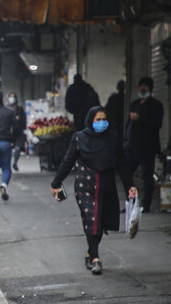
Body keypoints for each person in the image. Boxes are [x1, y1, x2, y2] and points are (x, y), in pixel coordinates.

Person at [50, 106, 137, 275]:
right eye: (97, 120)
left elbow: (122, 163)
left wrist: (130, 186)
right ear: (90, 121)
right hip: (85, 184)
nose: (101, 123)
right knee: (92, 218)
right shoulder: (80, 138)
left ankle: (90, 252)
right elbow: (67, 162)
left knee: (102, 221)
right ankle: (96, 259)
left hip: (107, 185)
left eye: (104, 119)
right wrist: (56, 183)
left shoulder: (113, 138)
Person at [124, 77, 163, 212]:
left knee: (147, 176)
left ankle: (146, 204)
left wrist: (140, 119)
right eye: (141, 86)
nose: (142, 89)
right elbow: (129, 124)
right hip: (132, 147)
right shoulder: (134, 104)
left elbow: (157, 124)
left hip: (147, 148)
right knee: (126, 174)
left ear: (150, 89)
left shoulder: (156, 105)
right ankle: (131, 201)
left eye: (145, 86)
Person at [5, 92, 27, 171]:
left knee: (17, 148)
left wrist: (19, 119)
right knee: (7, 149)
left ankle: (15, 163)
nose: (12, 98)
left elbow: (24, 121)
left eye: (13, 97)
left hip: (18, 132)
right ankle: (7, 164)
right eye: (10, 97)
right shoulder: (5, 109)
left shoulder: (19, 109)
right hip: (8, 133)